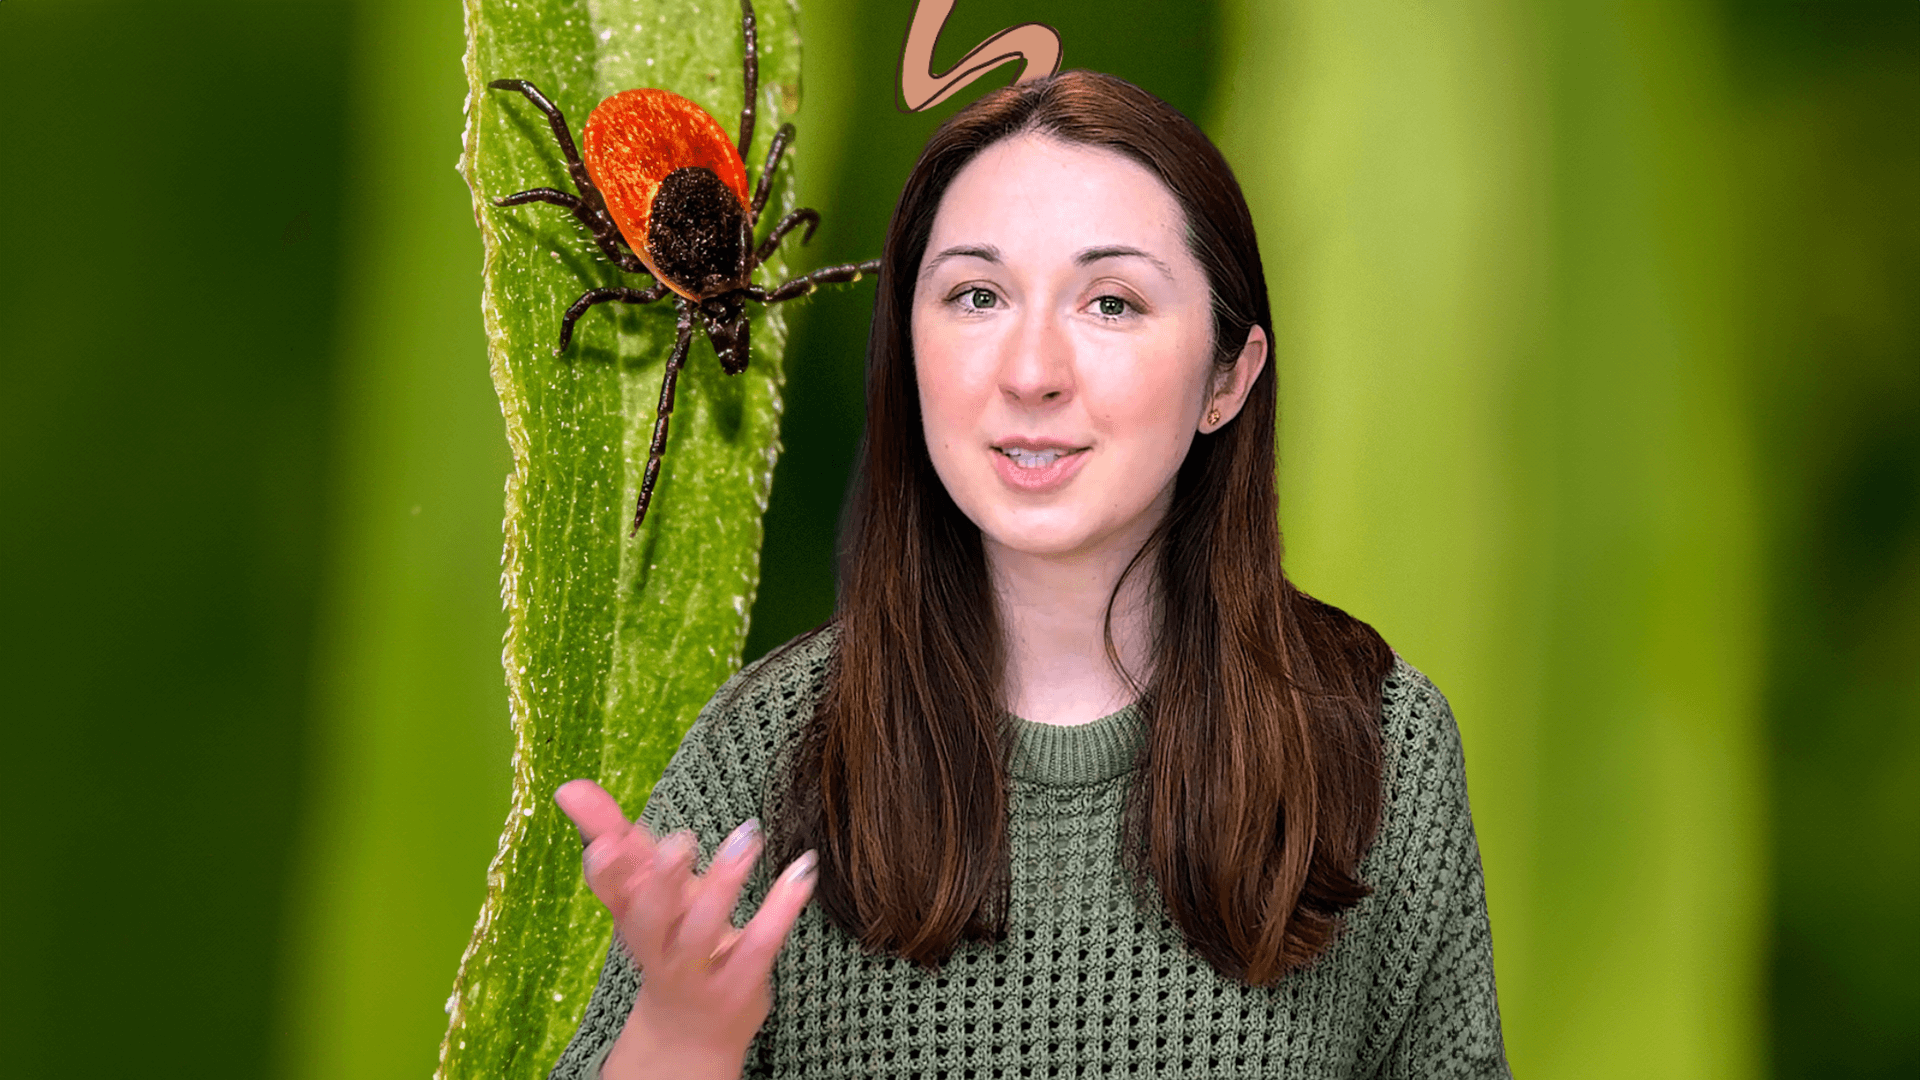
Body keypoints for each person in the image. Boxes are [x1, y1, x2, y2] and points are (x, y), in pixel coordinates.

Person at [549, 70, 1511, 1079]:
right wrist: (678, 1040)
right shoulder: (767, 755)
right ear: (907, 354)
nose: (1032, 371)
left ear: (1228, 377)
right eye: (977, 295)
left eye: (1111, 301)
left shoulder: (1379, 749)